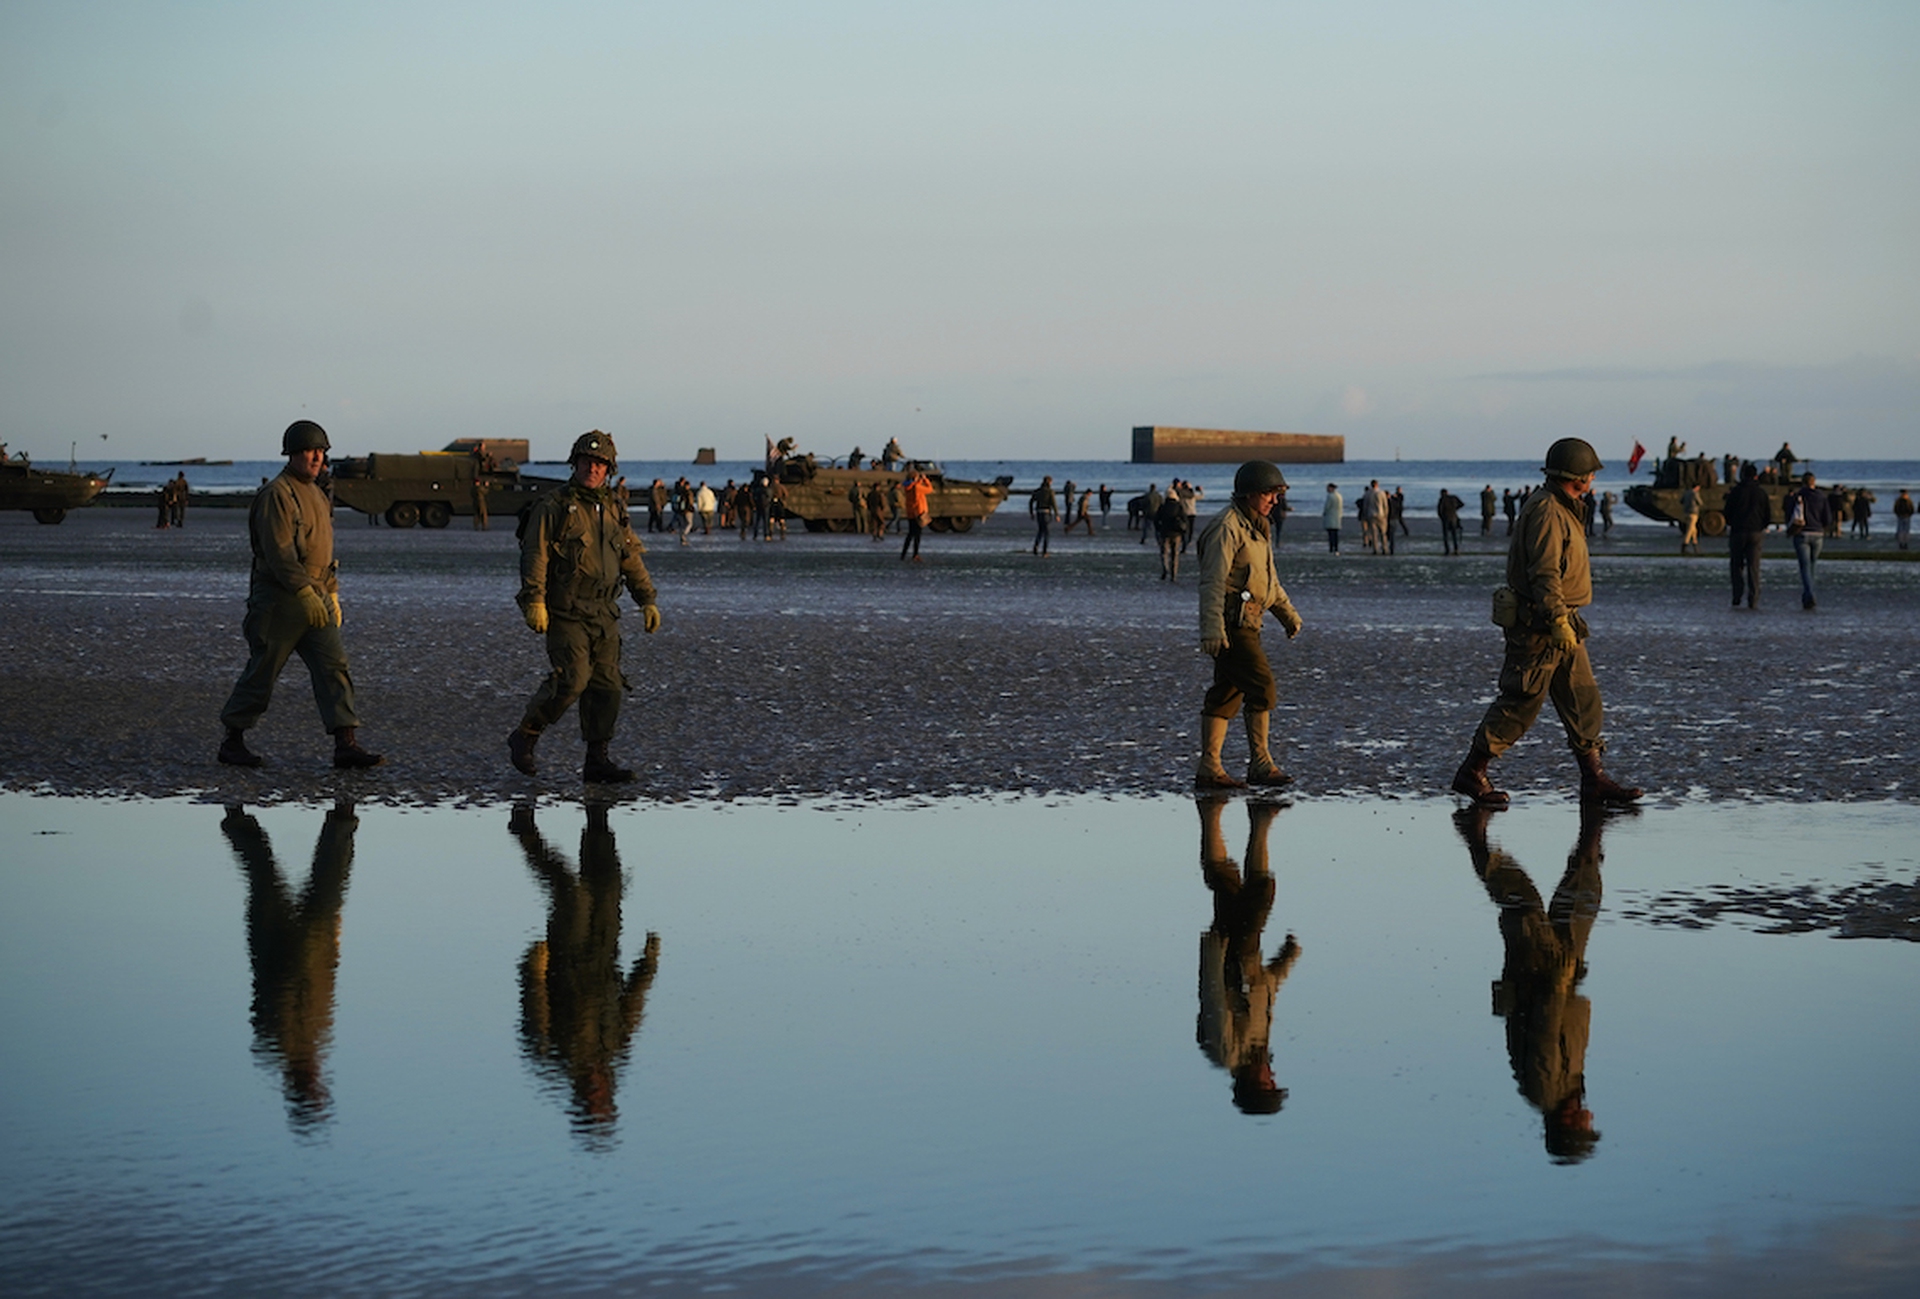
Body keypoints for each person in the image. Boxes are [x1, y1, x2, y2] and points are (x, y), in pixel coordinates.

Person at [1449, 437, 1640, 808]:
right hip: (1541, 626)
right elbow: (1545, 573)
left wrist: (1564, 621)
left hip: (1563, 622)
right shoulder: (1549, 511)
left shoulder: (1565, 506)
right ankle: (1472, 771)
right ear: (1577, 476)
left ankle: (1593, 778)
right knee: (1521, 700)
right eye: (1590, 474)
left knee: (1583, 698)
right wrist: (1555, 619)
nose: (1594, 480)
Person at [217, 420, 384, 770]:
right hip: (280, 601)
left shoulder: (319, 495)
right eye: (309, 451)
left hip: (316, 598)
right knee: (263, 671)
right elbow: (279, 553)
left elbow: (324, 552)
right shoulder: (277, 494)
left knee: (334, 666)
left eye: (321, 451)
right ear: (292, 453)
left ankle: (345, 743)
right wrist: (304, 591)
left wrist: (331, 594)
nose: (316, 457)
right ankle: (233, 740)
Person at [1455, 803, 1610, 1164]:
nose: (1590, 1119)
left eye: (1585, 1127)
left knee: (1522, 906)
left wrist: (1559, 982)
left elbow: (1543, 1030)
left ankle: (1475, 835)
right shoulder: (1566, 1090)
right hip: (1561, 977)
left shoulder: (1543, 1091)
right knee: (1582, 901)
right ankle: (1593, 831)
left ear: (1569, 1124)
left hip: (1544, 978)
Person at [507, 430, 660, 784]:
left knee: (607, 686)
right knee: (573, 680)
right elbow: (536, 556)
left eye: (600, 464)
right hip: (566, 611)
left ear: (609, 469)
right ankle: (526, 735)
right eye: (587, 462)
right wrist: (535, 600)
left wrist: (647, 599)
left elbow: (630, 557)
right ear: (574, 463)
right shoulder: (554, 507)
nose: (593, 468)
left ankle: (597, 760)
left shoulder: (614, 508)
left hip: (605, 612)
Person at [511, 802, 661, 1145]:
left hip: (568, 955)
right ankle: (598, 816)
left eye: (596, 1102)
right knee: (607, 884)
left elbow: (535, 1008)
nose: (599, 1093)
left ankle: (525, 833)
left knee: (573, 894)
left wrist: (533, 969)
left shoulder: (550, 1056)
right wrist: (648, 965)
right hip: (605, 952)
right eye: (603, 1101)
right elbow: (632, 1009)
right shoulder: (615, 1051)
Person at [221, 798, 360, 1131]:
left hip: (283, 947)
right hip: (305, 946)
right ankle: (342, 816)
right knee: (298, 880)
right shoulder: (309, 1042)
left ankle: (237, 814)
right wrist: (333, 944)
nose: (319, 1079)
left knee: (268, 877)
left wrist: (331, 944)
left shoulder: (278, 1043)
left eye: (315, 1088)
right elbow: (324, 985)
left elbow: (285, 989)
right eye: (320, 1089)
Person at [1196, 462, 1304, 789]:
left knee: (1226, 693)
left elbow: (1268, 582)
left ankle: (1209, 768)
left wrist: (1287, 614)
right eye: (1269, 493)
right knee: (1262, 686)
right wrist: (1212, 629)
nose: (1274, 500)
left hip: (1251, 621)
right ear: (1249, 494)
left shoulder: (1258, 527)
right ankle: (1260, 764)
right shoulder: (1227, 528)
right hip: (1232, 625)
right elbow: (1212, 582)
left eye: (1277, 494)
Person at [1195, 795, 1300, 1116]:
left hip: (1230, 956)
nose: (1272, 1075)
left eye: (1269, 1083)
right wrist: (1286, 961)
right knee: (1238, 889)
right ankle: (1248, 820)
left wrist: (1213, 951)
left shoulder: (1226, 1052)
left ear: (1253, 1085)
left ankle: (1243, 818)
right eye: (1273, 1081)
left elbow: (1213, 998)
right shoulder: (1257, 1049)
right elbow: (1264, 995)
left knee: (1245, 891)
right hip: (1248, 955)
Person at [1725, 461, 1772, 611]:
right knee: (1754, 567)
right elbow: (1768, 514)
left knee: (1736, 566)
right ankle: (1753, 598)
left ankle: (1737, 596)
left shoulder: (1736, 491)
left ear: (1743, 474)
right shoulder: (1761, 492)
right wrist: (1761, 526)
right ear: (1756, 476)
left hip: (1738, 531)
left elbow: (1727, 511)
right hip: (1755, 532)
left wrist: (1732, 523)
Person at [1784, 472, 1833, 610]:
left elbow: (1789, 514)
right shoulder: (1822, 497)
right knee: (1812, 565)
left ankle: (1809, 594)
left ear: (1803, 482)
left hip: (1802, 533)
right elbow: (1827, 519)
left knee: (1804, 566)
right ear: (1814, 482)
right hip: (1817, 533)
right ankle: (1809, 594)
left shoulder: (1798, 496)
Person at [899, 468, 932, 562]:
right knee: (917, 535)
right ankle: (915, 554)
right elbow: (929, 489)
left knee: (910, 534)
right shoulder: (917, 487)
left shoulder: (907, 487)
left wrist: (918, 481)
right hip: (919, 512)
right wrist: (925, 480)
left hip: (910, 513)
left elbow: (914, 486)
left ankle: (903, 554)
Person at [1154, 490, 1187, 581]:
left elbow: (1156, 519)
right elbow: (1184, 519)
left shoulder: (1163, 507)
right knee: (1175, 554)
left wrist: (1159, 529)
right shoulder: (1179, 506)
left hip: (1165, 533)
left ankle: (1165, 570)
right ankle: (1174, 574)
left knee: (1164, 553)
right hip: (1176, 533)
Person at [1029, 474, 1058, 557]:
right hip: (1046, 512)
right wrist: (1057, 514)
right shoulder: (1050, 492)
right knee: (1047, 533)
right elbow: (1053, 503)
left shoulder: (1038, 491)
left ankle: (1036, 546)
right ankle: (1044, 551)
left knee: (1040, 530)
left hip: (1039, 512)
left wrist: (1031, 512)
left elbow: (1031, 502)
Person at [1437, 488, 1465, 556]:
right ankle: (1456, 549)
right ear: (1447, 492)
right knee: (1454, 535)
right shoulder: (1453, 498)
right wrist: (1455, 509)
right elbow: (1462, 504)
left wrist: (1441, 517)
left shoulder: (1442, 499)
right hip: (1454, 518)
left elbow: (1439, 510)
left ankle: (1447, 550)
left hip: (1446, 519)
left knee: (1446, 535)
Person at [1677, 483, 1701, 555]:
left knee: (1694, 531)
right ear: (1697, 487)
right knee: (1689, 531)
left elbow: (1681, 501)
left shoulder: (1686, 493)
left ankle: (1696, 548)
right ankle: (1684, 545)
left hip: (1686, 512)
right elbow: (1699, 502)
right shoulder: (1695, 493)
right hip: (1693, 513)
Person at [1320, 483, 1343, 553]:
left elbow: (1327, 507)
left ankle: (1331, 547)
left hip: (1330, 516)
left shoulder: (1330, 496)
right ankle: (1336, 547)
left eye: (1328, 488)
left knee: (1331, 533)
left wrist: (1324, 513)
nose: (1327, 489)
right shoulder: (1339, 496)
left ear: (1331, 488)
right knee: (1335, 533)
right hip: (1337, 516)